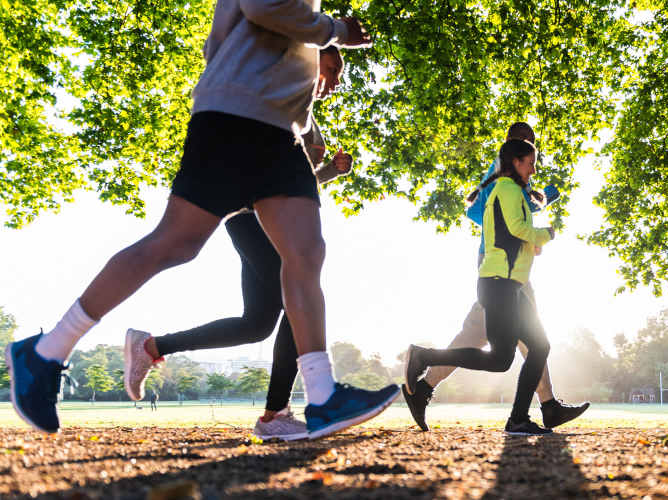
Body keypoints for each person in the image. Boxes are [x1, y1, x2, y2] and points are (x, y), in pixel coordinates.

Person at [5, 3, 397, 438]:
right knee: (175, 243)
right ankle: (45, 352)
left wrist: (321, 49)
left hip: (278, 128)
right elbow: (263, 6)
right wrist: (333, 32)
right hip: (238, 116)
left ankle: (322, 397)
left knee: (305, 253)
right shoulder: (312, 28)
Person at [120, 48, 354, 442]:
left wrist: (331, 169)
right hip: (250, 215)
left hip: (260, 218)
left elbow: (297, 184)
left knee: (258, 323)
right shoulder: (281, 98)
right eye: (331, 71)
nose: (334, 83)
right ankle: (275, 413)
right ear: (310, 61)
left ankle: (151, 345)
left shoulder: (308, 120)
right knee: (297, 298)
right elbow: (261, 166)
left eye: (338, 77)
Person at [402, 123, 589, 432]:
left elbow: (516, 218)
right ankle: (543, 407)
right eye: (527, 152)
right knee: (515, 343)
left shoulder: (515, 182)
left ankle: (426, 386)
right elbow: (480, 213)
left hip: (509, 270)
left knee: (503, 337)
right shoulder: (502, 177)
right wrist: (516, 232)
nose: (533, 163)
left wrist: (535, 213)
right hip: (499, 268)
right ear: (514, 152)